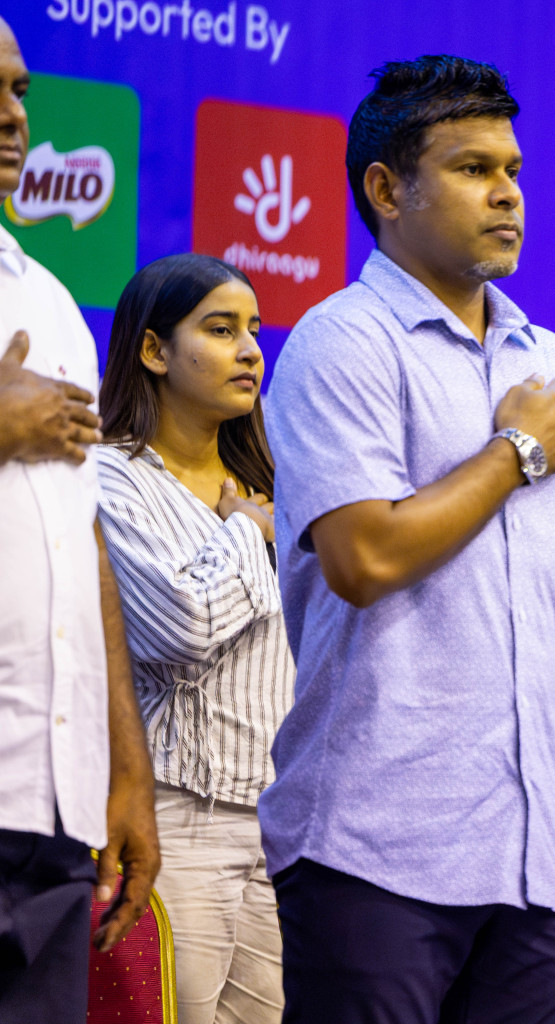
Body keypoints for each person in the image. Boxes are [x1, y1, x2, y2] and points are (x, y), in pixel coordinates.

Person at [259, 55, 555, 1024]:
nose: (507, 192)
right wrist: (515, 450)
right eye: (474, 169)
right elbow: (363, 558)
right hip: (375, 845)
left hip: (536, 855)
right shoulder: (338, 342)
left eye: (513, 168)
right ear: (386, 190)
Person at [0, 17, 160, 1023]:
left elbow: (83, 539)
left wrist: (124, 772)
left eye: (18, 91)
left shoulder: (50, 297)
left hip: (47, 814)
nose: (12, 116)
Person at [95, 253, 294, 1024]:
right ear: (153, 351)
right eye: (219, 329)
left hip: (282, 828)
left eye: (252, 330)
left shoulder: (283, 481)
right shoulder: (110, 475)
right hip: (177, 820)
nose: (250, 349)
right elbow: (180, 626)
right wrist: (246, 533)